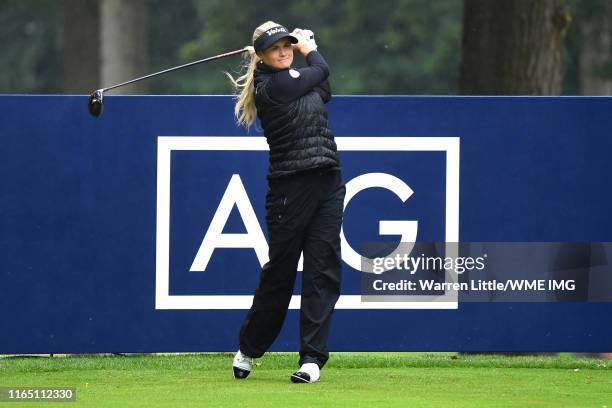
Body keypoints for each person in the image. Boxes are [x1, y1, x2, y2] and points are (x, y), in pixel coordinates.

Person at [226, 21, 345, 383]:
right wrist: (311, 46)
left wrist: (305, 58)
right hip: (289, 191)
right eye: (276, 47)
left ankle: (312, 359)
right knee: (280, 274)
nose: (284, 51)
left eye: (288, 45)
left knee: (322, 271)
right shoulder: (270, 86)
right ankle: (249, 348)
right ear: (260, 56)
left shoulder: (294, 79)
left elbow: (323, 88)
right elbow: (322, 72)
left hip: (327, 181)